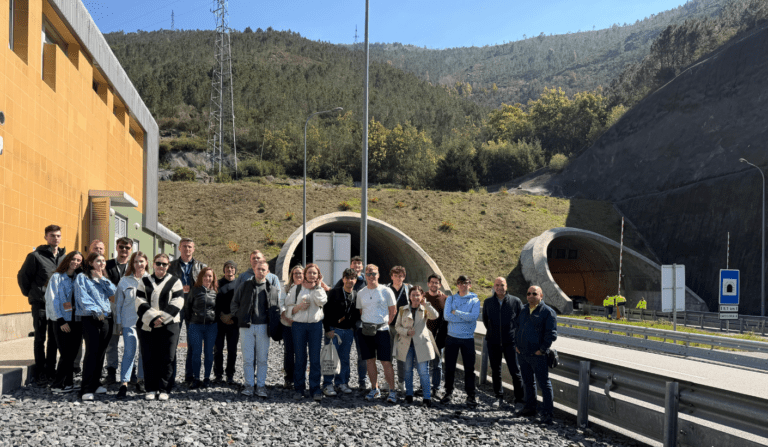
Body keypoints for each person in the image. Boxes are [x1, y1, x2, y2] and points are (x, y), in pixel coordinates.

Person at [17, 224, 66, 385]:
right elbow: (23, 276)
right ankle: (40, 372)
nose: (56, 238)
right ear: (46, 237)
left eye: (58, 235)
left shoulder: (63, 257)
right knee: (40, 337)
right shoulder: (35, 256)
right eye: (52, 235)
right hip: (40, 304)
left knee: (53, 338)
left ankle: (50, 370)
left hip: (56, 305)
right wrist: (32, 294)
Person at [136, 253, 184, 401]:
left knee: (167, 357)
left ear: (168, 266)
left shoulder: (175, 281)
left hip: (169, 325)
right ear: (153, 264)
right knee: (149, 356)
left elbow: (178, 301)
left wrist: (162, 319)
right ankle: (150, 388)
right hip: (148, 326)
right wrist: (153, 318)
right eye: (158, 263)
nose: (161, 266)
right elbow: (139, 301)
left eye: (164, 264)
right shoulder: (144, 281)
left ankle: (164, 389)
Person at [231, 260, 280, 398]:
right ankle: (249, 385)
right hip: (246, 326)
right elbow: (234, 303)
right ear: (254, 269)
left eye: (263, 269)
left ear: (268, 272)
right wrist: (239, 316)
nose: (261, 272)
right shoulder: (244, 286)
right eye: (258, 269)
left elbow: (276, 309)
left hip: (264, 327)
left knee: (262, 359)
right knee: (247, 358)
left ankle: (261, 386)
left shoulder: (273, 289)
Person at [74, 252, 116, 401]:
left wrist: (102, 278)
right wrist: (97, 311)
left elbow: (113, 292)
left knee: (101, 352)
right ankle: (86, 388)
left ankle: (96, 382)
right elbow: (82, 298)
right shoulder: (82, 278)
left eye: (103, 261)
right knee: (91, 352)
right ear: (91, 262)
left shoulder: (102, 278)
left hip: (106, 318)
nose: (102, 263)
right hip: (90, 318)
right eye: (98, 261)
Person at [515, 285, 558, 425]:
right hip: (523, 354)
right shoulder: (523, 309)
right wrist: (516, 345)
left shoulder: (547, 312)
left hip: (538, 355)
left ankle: (547, 413)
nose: (531, 296)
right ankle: (530, 408)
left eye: (534, 293)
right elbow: (516, 327)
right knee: (528, 382)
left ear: (541, 295)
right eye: (528, 293)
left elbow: (551, 334)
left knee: (544, 384)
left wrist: (542, 350)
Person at [285, 263, 327, 401]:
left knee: (315, 359)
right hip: (299, 326)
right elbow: (288, 306)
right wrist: (298, 307)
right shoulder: (296, 288)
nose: (311, 275)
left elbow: (322, 301)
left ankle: (315, 389)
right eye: (309, 273)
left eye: (314, 273)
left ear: (318, 275)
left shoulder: (319, 289)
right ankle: (299, 388)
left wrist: (317, 287)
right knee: (300, 358)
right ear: (305, 274)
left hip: (315, 326)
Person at [357, 264, 398, 403]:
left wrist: (385, 323)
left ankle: (392, 391)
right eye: (368, 274)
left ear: (378, 275)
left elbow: (393, 310)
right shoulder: (361, 293)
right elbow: (361, 311)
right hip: (366, 330)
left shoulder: (386, 291)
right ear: (365, 276)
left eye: (373, 273)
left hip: (382, 331)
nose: (371, 276)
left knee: (386, 361)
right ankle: (374, 389)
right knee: (369, 360)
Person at [168, 237, 206, 384]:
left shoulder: (201, 267)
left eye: (190, 247)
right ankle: (171, 376)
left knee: (193, 343)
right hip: (175, 306)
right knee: (172, 342)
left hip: (193, 307)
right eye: (184, 246)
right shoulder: (171, 266)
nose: (187, 249)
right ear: (179, 248)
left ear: (194, 249)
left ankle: (190, 376)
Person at [482, 277, 524, 408]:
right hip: (493, 342)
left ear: (507, 286)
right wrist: (493, 333)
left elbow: (521, 322)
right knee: (496, 371)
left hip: (511, 343)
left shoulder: (515, 301)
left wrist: (517, 340)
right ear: (494, 287)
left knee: (515, 371)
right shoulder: (488, 302)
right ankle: (498, 397)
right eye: (497, 285)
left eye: (502, 285)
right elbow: (485, 320)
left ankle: (519, 400)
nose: (499, 287)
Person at [395, 286, 439, 407]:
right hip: (407, 344)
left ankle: (427, 397)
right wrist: (406, 332)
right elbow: (397, 326)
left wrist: (426, 304)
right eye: (413, 295)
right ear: (409, 296)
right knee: (408, 371)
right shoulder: (402, 310)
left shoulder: (424, 309)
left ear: (421, 296)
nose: (415, 297)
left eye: (418, 295)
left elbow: (435, 315)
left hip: (421, 345)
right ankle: (409, 395)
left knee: (423, 372)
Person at [46, 251, 83, 393]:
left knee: (72, 355)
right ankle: (56, 385)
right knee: (66, 354)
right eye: (73, 259)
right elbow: (52, 299)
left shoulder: (78, 278)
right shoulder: (57, 277)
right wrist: (61, 320)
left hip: (76, 321)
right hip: (62, 321)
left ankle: (68, 384)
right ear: (67, 260)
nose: (76, 262)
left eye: (79, 260)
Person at [441, 275, 480, 408]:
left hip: (467, 339)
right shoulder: (451, 298)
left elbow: (473, 317)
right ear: (457, 285)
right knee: (450, 367)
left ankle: (471, 395)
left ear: (470, 284)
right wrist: (464, 316)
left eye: (466, 283)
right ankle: (448, 393)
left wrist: (456, 312)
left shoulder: (475, 300)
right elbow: (446, 316)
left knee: (469, 369)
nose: (463, 285)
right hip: (452, 337)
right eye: (460, 283)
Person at [114, 251, 149, 399]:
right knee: (129, 352)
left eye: (141, 261)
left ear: (146, 263)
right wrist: (119, 324)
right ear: (132, 264)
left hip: (147, 323)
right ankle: (124, 383)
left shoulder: (151, 281)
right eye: (136, 261)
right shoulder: (124, 281)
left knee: (143, 353)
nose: (139, 264)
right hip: (129, 322)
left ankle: (141, 380)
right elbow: (118, 304)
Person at [321, 268, 360, 396]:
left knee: (344, 358)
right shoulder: (334, 292)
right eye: (347, 278)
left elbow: (356, 314)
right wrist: (327, 329)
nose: (350, 280)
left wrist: (353, 328)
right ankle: (327, 384)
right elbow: (325, 312)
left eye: (353, 278)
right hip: (334, 330)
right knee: (330, 358)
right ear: (343, 279)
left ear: (356, 280)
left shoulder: (356, 294)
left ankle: (341, 383)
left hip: (348, 332)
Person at [103, 237, 133, 385]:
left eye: (127, 248)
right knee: (111, 342)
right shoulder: (107, 265)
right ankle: (111, 372)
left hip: (129, 308)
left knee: (131, 341)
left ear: (131, 249)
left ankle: (131, 372)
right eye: (121, 247)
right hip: (111, 308)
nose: (124, 250)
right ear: (116, 247)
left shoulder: (134, 266)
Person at [187, 267, 219, 389]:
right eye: (205, 275)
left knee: (209, 353)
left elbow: (218, 308)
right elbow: (187, 307)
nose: (207, 278)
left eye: (210, 276)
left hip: (211, 327)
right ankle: (196, 378)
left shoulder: (215, 292)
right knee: (196, 352)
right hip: (196, 326)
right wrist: (192, 320)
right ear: (201, 277)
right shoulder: (195, 290)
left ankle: (206, 378)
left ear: (213, 278)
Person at [386, 265, 411, 393]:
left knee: (402, 356)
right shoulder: (385, 289)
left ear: (404, 277)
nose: (398, 278)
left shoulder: (408, 289)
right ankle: (388, 382)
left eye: (400, 276)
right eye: (395, 276)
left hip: (402, 327)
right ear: (391, 277)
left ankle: (401, 382)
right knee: (387, 355)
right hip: (388, 326)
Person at [214, 261, 239, 384]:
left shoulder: (239, 284)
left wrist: (232, 317)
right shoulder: (217, 284)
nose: (230, 269)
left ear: (235, 270)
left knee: (232, 350)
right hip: (219, 322)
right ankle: (218, 374)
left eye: (232, 267)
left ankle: (230, 375)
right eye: (227, 267)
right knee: (218, 349)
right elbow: (214, 302)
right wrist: (221, 316)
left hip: (234, 322)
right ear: (224, 269)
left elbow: (241, 303)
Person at [423, 274, 448, 397]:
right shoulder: (423, 297)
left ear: (440, 285)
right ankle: (424, 387)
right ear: (428, 284)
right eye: (432, 282)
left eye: (436, 282)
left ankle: (436, 388)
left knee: (437, 364)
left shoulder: (445, 299)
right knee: (424, 363)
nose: (434, 284)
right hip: (424, 336)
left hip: (438, 336)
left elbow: (447, 319)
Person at [279, 265, 303, 389]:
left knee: (301, 352)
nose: (298, 275)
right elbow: (281, 304)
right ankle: (288, 378)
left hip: (302, 325)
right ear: (291, 275)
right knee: (289, 352)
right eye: (295, 273)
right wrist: (286, 316)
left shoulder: (307, 288)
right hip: (287, 323)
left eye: (300, 273)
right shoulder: (286, 288)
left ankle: (299, 378)